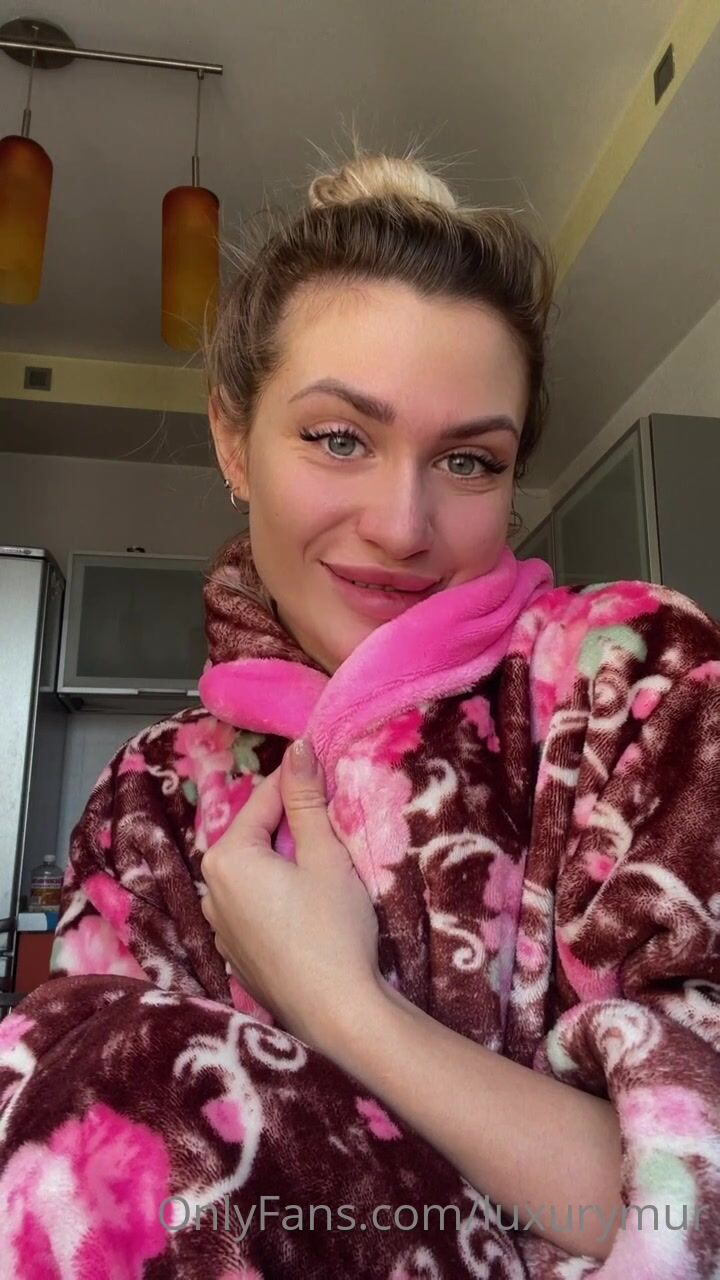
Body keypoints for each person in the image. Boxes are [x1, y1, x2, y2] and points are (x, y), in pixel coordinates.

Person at [0, 143, 718, 1280]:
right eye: (340, 437)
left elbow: (691, 1205)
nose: (402, 524)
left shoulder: (633, 686)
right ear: (233, 439)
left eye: (469, 460)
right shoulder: (152, 799)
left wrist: (340, 1005)